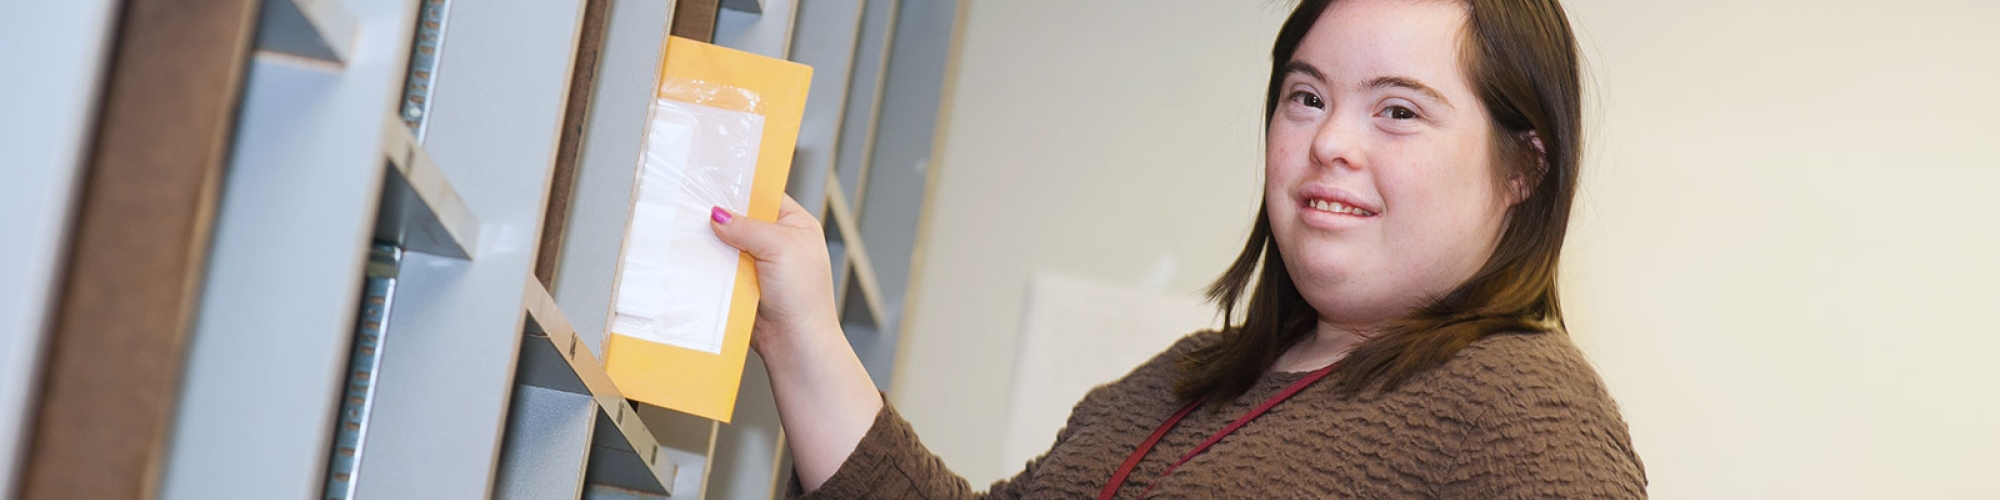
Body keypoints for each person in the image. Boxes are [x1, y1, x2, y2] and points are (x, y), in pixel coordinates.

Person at [704, 0, 1647, 497]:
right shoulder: (1182, 381)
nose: (1330, 144)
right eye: (1306, 96)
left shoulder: (1529, 411)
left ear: (1523, 166)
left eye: (1397, 110)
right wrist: (802, 334)